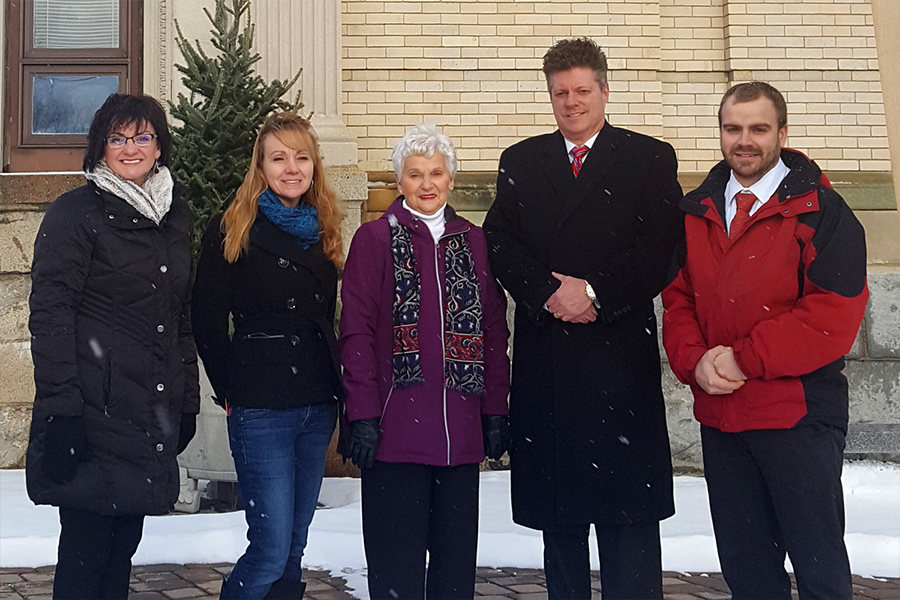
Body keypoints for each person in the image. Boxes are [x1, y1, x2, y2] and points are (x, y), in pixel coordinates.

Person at [482, 38, 684, 599]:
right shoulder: (522, 160)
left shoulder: (648, 157)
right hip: (550, 361)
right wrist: (548, 293)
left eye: (581, 91)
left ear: (604, 91)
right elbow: (499, 240)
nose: (571, 102)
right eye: (559, 93)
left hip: (618, 359)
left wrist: (594, 291)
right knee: (561, 523)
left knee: (629, 521)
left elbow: (663, 245)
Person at [662, 82, 868, 600]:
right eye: (734, 129)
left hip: (797, 414)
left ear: (782, 132)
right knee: (748, 571)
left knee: (819, 568)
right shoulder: (695, 212)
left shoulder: (823, 211)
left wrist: (743, 358)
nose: (745, 140)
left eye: (758, 128)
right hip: (724, 418)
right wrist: (694, 361)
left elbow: (832, 315)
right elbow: (677, 299)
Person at [25, 93, 200, 599]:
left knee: (121, 550)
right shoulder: (75, 213)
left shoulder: (173, 217)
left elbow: (178, 316)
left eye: (142, 136)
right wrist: (61, 411)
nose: (130, 148)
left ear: (159, 146)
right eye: (117, 138)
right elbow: (51, 316)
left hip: (145, 411)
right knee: (85, 555)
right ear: (100, 147)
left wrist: (184, 402)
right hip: (91, 411)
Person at [339, 123, 511, 600]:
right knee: (397, 571)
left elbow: (493, 330)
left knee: (454, 574)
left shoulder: (473, 242)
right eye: (415, 174)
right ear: (400, 182)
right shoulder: (374, 240)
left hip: (460, 431)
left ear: (451, 180)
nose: (427, 183)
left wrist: (495, 409)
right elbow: (356, 331)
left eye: (436, 173)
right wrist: (363, 414)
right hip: (395, 434)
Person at [191, 112, 345, 599]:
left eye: (302, 157)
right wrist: (231, 390)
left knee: (294, 547)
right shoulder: (233, 225)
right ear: (261, 165)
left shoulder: (324, 228)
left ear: (314, 166)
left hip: (316, 402)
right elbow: (207, 319)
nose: (291, 168)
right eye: (279, 158)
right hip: (261, 403)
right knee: (270, 548)